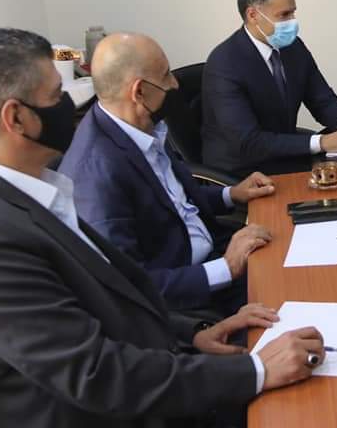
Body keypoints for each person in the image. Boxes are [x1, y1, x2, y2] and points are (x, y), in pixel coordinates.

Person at [0, 28, 324, 427]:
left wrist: (197, 333)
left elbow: (118, 296)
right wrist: (255, 371)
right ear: (17, 118)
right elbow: (96, 375)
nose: (72, 105)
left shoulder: (33, 194)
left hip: (158, 366)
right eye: (57, 96)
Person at [60, 33, 274, 318]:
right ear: (139, 92)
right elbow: (130, 285)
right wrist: (227, 267)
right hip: (191, 295)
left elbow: (172, 198)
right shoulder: (97, 175)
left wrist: (230, 194)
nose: (174, 84)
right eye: (165, 75)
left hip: (213, 249)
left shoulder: (139, 126)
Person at [202, 0, 337, 175]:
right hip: (243, 170)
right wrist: (322, 142)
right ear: (253, 15)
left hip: (284, 157)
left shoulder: (293, 47)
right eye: (284, 15)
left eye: (293, 13)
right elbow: (249, 141)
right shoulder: (224, 63)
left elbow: (322, 99)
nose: (292, 22)